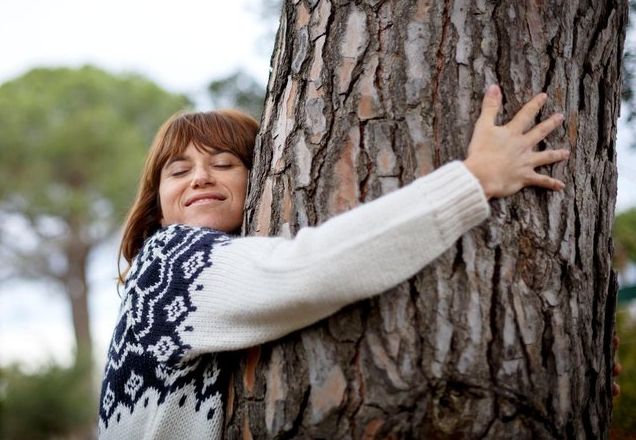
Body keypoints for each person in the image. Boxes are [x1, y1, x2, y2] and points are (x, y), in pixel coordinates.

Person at [96, 85, 583, 438]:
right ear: (157, 205)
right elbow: (307, 271)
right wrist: (473, 180)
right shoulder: (168, 262)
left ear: (263, 178)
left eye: (224, 163)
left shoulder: (206, 292)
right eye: (178, 171)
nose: (200, 176)